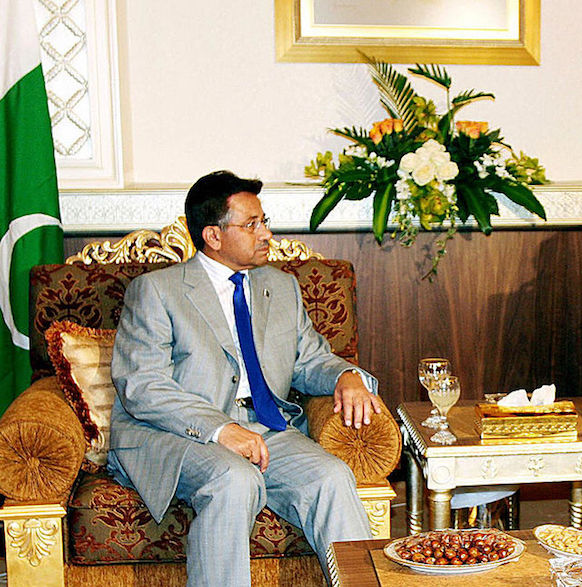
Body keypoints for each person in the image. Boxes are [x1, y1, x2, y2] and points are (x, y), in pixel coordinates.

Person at [107, 170, 381, 586]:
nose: (266, 233)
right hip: (177, 433)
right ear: (213, 236)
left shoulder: (281, 286)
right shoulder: (156, 291)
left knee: (331, 477)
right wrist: (220, 429)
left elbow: (309, 361)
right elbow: (142, 386)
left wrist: (346, 375)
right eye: (252, 224)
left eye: (264, 221)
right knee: (233, 479)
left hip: (266, 426)